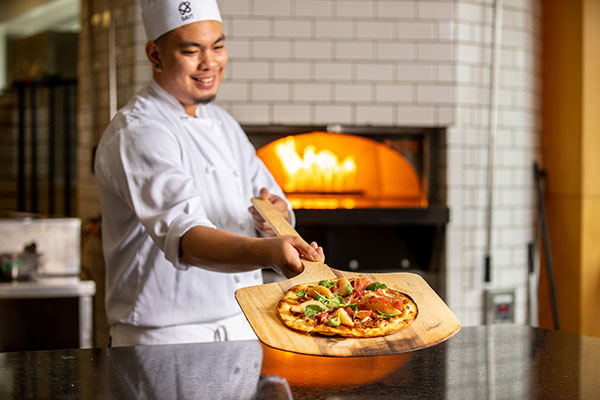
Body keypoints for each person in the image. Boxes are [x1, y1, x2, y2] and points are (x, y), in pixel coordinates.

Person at [94, 0, 323, 346]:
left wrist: (272, 216)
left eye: (218, 46)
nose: (210, 62)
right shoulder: (138, 130)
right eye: (191, 51)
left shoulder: (222, 124)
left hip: (243, 325)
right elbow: (186, 240)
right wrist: (270, 253)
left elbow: (270, 202)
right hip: (165, 340)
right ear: (155, 54)